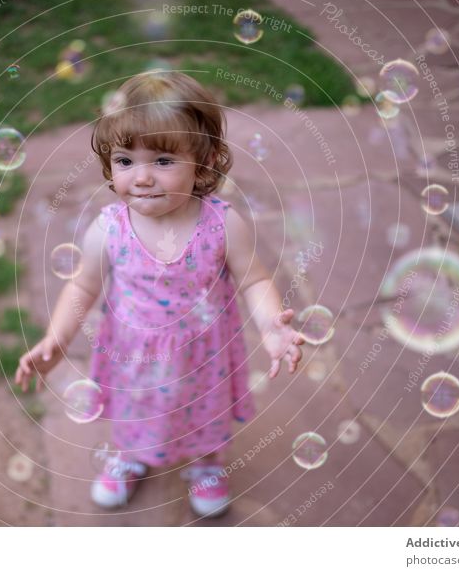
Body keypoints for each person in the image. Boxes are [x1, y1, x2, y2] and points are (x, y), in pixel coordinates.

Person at [15, 70, 304, 518]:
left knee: (205, 412)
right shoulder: (108, 229)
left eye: (163, 161)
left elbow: (254, 280)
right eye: (126, 161)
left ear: (204, 160)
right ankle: (129, 456)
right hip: (133, 352)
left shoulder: (222, 224)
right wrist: (57, 337)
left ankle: (206, 464)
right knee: (135, 410)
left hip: (203, 353)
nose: (143, 177)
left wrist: (271, 326)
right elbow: (84, 285)